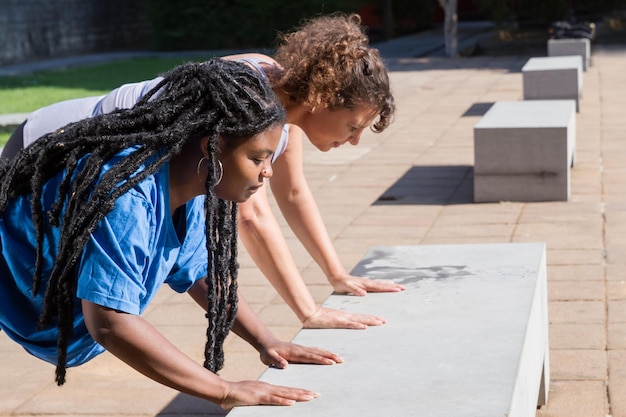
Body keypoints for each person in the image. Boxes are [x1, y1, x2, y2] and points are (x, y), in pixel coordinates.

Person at [1, 13, 406, 330]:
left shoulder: (284, 114)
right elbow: (252, 218)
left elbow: (294, 194)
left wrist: (337, 275)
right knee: (27, 289)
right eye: (353, 126)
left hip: (88, 162)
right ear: (322, 98)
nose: (354, 140)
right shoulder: (250, 92)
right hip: (49, 148)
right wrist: (308, 311)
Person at [0, 59, 342, 411]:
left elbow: (200, 274)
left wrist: (266, 341)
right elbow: (109, 321)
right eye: (258, 158)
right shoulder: (126, 197)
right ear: (212, 149)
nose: (268, 172)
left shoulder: (189, 185)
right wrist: (222, 389)